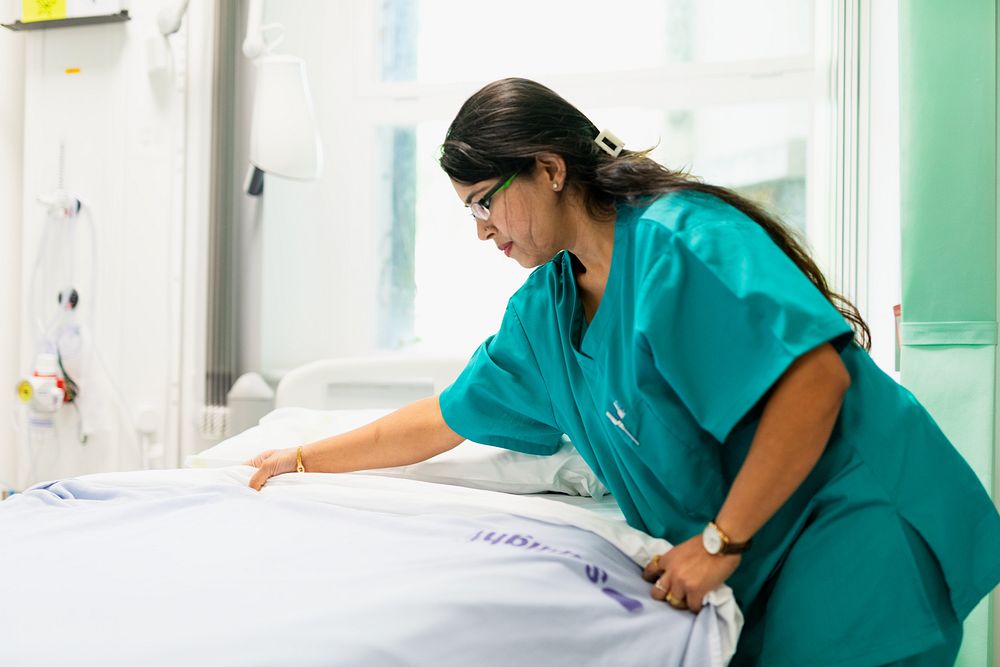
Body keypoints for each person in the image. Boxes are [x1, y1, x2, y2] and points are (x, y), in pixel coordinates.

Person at [247, 78, 1000, 665]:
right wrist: (306, 458)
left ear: (547, 169)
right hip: (761, 550)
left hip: (851, 521)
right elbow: (442, 417)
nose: (481, 231)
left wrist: (718, 543)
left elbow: (817, 382)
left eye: (485, 203)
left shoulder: (681, 243)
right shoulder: (546, 309)